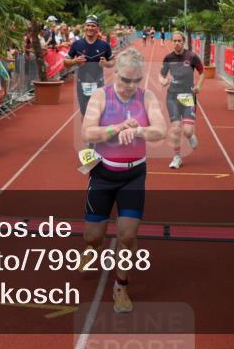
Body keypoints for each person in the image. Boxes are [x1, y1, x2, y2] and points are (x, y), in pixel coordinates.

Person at [79, 48, 167, 313]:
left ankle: (121, 287)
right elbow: (88, 131)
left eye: (136, 80)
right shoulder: (100, 96)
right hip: (103, 174)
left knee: (127, 236)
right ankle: (93, 248)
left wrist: (139, 130)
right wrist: (116, 129)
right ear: (114, 72)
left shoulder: (147, 96)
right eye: (125, 80)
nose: (130, 86)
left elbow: (160, 130)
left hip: (133, 175)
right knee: (93, 236)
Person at [159, 31, 205, 169]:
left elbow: (202, 72)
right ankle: (177, 156)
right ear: (171, 42)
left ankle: (190, 136)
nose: (177, 43)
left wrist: (198, 86)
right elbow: (161, 75)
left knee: (187, 131)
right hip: (172, 97)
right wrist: (163, 81)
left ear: (183, 42)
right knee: (176, 127)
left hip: (187, 97)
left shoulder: (191, 56)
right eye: (175, 40)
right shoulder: (168, 58)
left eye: (179, 40)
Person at [64, 15, 114, 117]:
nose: (90, 28)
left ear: (97, 28)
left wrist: (106, 63)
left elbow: (113, 61)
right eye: (88, 25)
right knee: (84, 114)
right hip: (82, 83)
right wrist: (75, 61)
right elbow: (65, 62)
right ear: (84, 27)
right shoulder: (76, 44)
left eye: (93, 26)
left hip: (98, 83)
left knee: (98, 113)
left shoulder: (104, 46)